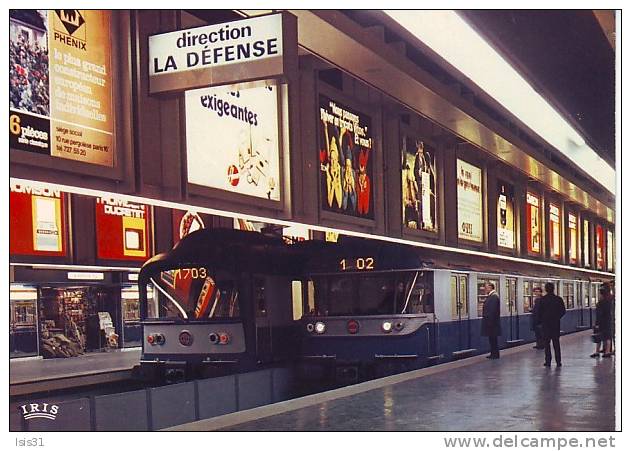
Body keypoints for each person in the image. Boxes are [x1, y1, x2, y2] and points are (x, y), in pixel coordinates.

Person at [537, 282, 566, 367]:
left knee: (547, 344)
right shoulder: (558, 299)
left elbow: (539, 312)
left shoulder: (542, 300)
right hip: (555, 324)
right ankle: (558, 361)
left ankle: (548, 361)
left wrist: (541, 321)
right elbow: (563, 311)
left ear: (546, 289)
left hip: (546, 325)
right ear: (553, 289)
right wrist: (557, 317)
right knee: (556, 343)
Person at [481, 282, 501, 359]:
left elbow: (492, 311)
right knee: (492, 339)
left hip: (492, 323)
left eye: (486, 287)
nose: (485, 289)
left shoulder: (494, 297)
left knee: (493, 339)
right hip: (492, 322)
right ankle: (493, 353)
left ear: (490, 287)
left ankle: (495, 354)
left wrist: (489, 322)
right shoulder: (492, 296)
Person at [592, 285, 614, 358]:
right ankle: (607, 352)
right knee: (607, 337)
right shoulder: (610, 301)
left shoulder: (600, 303)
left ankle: (597, 351)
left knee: (598, 336)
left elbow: (599, 314)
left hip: (601, 322)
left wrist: (596, 323)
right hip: (608, 321)